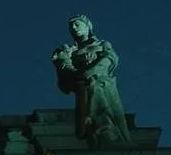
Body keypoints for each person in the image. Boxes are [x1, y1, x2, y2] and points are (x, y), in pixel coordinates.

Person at [51, 15, 130, 146]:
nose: (74, 28)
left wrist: (91, 70)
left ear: (88, 26)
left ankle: (106, 130)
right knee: (91, 89)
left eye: (77, 24)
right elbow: (65, 74)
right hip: (83, 87)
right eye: (71, 26)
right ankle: (100, 129)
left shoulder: (102, 44)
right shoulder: (69, 51)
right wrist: (66, 62)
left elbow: (110, 59)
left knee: (97, 89)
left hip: (104, 85)